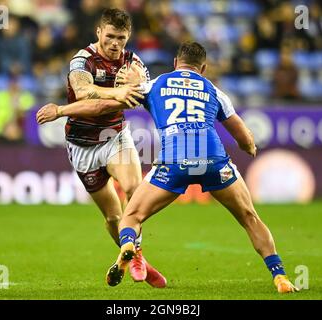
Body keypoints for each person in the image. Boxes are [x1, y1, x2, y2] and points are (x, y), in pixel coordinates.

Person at [105, 42, 299, 293]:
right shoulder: (214, 91)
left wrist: (122, 85)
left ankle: (129, 246)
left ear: (176, 63)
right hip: (213, 160)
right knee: (250, 218)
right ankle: (280, 276)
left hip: (174, 162)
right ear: (203, 68)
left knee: (131, 216)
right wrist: (249, 147)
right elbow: (244, 137)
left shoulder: (155, 84)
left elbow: (119, 100)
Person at [37, 8, 166, 288]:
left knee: (135, 189)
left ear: (128, 36)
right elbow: (84, 92)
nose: (115, 43)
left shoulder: (133, 63)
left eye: (121, 37)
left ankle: (132, 256)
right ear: (99, 33)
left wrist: (129, 92)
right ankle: (135, 255)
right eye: (109, 36)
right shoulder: (81, 61)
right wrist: (118, 93)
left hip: (114, 135)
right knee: (113, 217)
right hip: (82, 146)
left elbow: (134, 96)